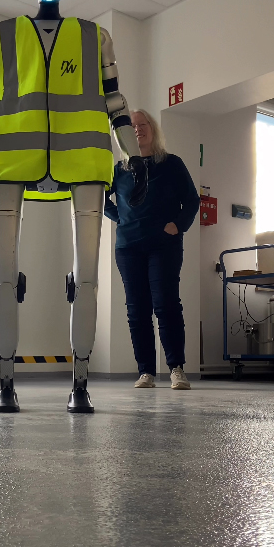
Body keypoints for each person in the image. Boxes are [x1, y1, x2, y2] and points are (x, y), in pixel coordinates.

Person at [0, 0, 147, 414]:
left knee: (88, 277)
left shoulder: (96, 37)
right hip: (12, 161)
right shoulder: (1, 36)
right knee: (4, 277)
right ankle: (6, 382)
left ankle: (80, 382)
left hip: (85, 163)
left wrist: (133, 157)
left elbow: (116, 101)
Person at [104, 110, 200, 390]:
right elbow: (100, 195)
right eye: (130, 127)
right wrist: (118, 216)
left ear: (152, 129)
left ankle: (176, 369)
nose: (136, 130)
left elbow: (192, 200)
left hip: (163, 246)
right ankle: (145, 371)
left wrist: (179, 225)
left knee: (166, 305)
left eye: (141, 125)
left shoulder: (171, 164)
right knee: (137, 310)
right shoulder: (120, 168)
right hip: (128, 247)